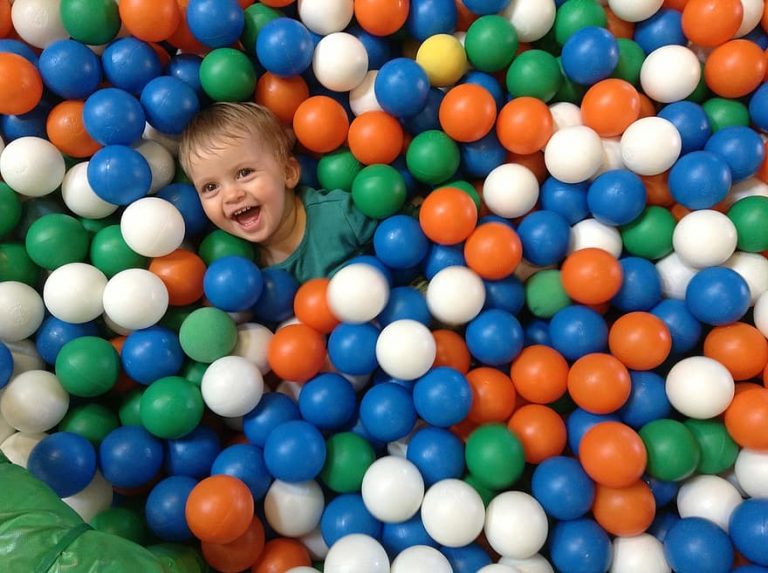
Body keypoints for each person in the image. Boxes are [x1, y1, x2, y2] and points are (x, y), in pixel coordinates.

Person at [179, 102, 377, 283]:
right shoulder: (232, 266)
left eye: (244, 173)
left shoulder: (341, 216)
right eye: (211, 187)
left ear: (288, 172)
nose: (231, 195)